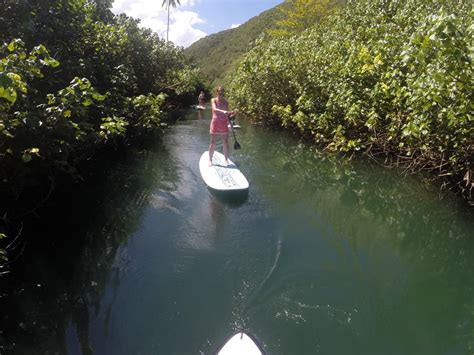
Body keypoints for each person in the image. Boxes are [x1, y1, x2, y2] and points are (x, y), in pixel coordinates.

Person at [209, 86, 235, 166]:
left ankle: (226, 160)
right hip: (215, 122)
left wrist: (231, 115)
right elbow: (214, 109)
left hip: (224, 122)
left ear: (223, 92)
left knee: (225, 142)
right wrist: (223, 111)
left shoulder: (226, 102)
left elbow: (227, 114)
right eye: (219, 91)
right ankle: (210, 160)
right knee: (213, 142)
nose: (220, 92)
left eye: (222, 91)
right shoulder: (213, 100)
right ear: (217, 92)